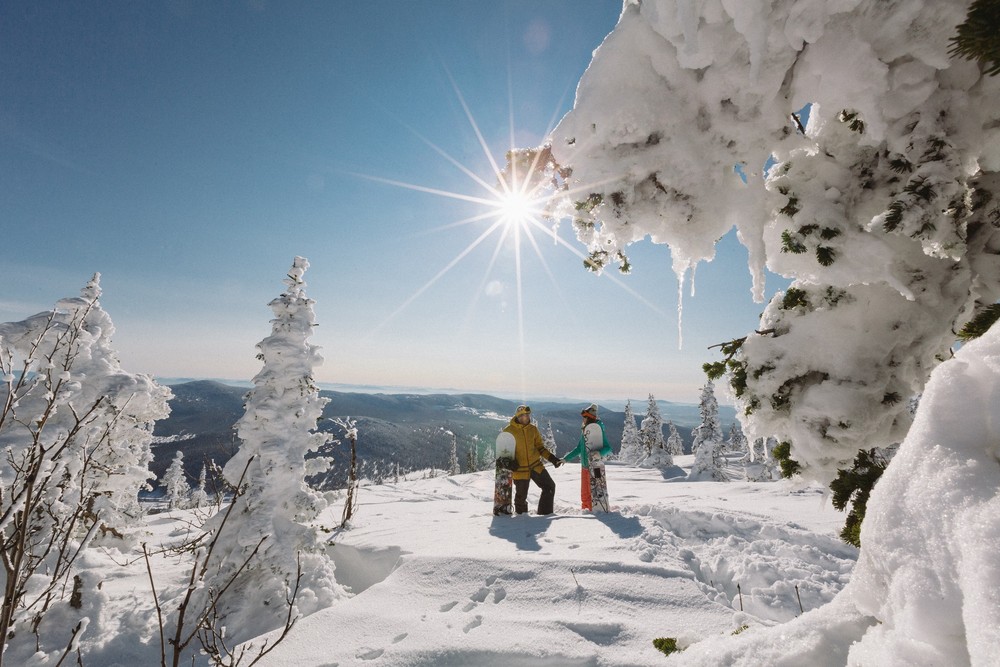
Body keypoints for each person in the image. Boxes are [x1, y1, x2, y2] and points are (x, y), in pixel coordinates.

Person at [503, 405, 563, 515]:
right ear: (518, 416)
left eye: (527, 415)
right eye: (522, 416)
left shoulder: (533, 429)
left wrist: (552, 459)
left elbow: (540, 448)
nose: (525, 418)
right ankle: (522, 520)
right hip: (520, 470)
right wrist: (509, 462)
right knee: (520, 499)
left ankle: (545, 514)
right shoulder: (509, 431)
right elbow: (504, 451)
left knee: (549, 487)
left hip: (536, 466)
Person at [562, 403, 612, 511]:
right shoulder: (585, 432)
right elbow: (579, 448)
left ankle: (595, 512)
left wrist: (600, 453)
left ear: (589, 418)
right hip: (584, 467)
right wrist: (566, 459)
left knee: (593, 493)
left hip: (594, 467)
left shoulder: (598, 431)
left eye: (584, 417)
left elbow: (608, 448)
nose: (582, 420)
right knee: (584, 495)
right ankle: (585, 512)